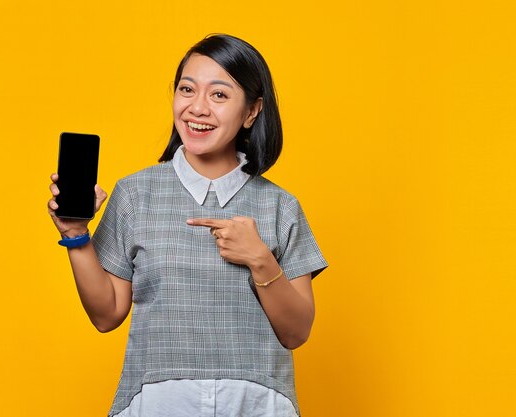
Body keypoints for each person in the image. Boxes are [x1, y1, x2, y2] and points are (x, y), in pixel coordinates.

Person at [47, 34, 328, 417]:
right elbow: (107, 314)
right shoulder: (135, 193)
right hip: (159, 403)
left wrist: (261, 259)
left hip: (257, 404)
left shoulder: (280, 206)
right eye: (187, 89)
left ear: (252, 111)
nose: (197, 108)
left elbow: (297, 333)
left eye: (219, 95)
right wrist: (76, 234)